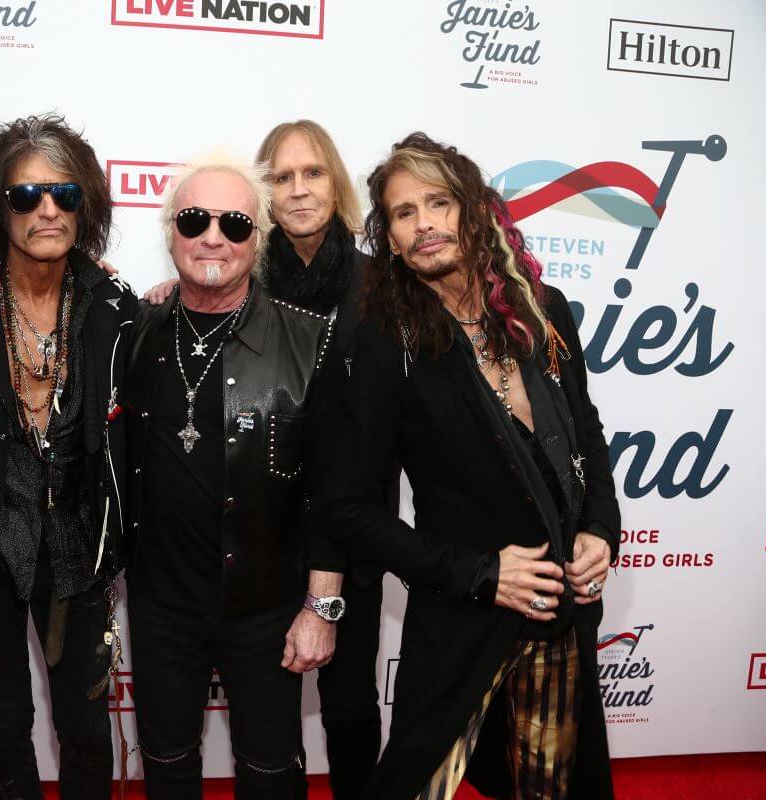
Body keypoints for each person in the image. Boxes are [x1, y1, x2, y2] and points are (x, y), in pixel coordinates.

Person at [310, 132, 620, 800]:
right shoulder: (388, 340)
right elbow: (347, 508)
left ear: (474, 212)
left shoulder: (546, 313)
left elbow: (587, 439)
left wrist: (600, 527)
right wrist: (480, 574)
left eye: (439, 202)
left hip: (556, 617)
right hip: (460, 625)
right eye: (402, 212)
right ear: (388, 238)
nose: (424, 223)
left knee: (552, 789)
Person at [144, 122, 390, 798]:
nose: (214, 235)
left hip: (326, 550)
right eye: (282, 177)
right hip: (189, 587)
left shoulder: (380, 289)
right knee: (175, 758)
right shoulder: (151, 325)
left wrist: (323, 596)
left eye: (312, 173)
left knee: (342, 712)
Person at [0, 113, 136, 800]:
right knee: (6, 719)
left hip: (78, 544)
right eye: (26, 196)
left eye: (66, 195)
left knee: (85, 722)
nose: (48, 209)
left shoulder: (115, 305)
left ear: (88, 206)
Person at [124, 155, 335, 799]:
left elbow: (335, 494)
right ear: (170, 236)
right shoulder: (135, 329)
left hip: (267, 606)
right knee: (165, 767)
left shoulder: (310, 342)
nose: (213, 236)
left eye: (235, 224)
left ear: (258, 242)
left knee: (271, 773)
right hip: (160, 603)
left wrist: (321, 607)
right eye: (194, 219)